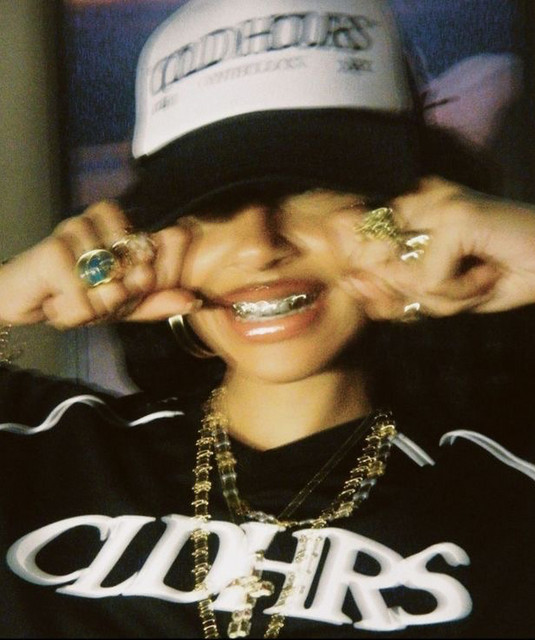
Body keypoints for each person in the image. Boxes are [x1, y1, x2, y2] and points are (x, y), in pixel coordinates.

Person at [0, 0, 534, 637]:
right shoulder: (46, 446)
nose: (259, 246)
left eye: (308, 188)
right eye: (211, 205)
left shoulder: (508, 494)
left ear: (413, 206)